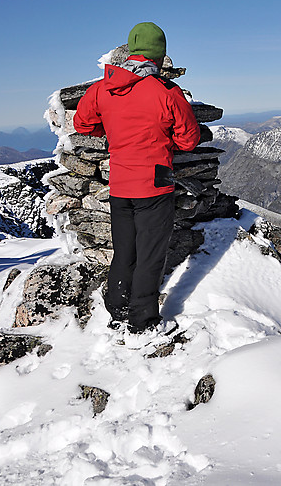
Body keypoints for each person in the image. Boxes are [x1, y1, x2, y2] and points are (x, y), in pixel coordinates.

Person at [74, 22, 200, 334]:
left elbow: (82, 123)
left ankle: (117, 308)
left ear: (131, 51)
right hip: (154, 185)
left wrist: (112, 130)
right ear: (159, 55)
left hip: (120, 185)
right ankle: (142, 320)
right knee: (151, 254)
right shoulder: (166, 92)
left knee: (125, 251)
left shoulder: (104, 88)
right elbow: (189, 140)